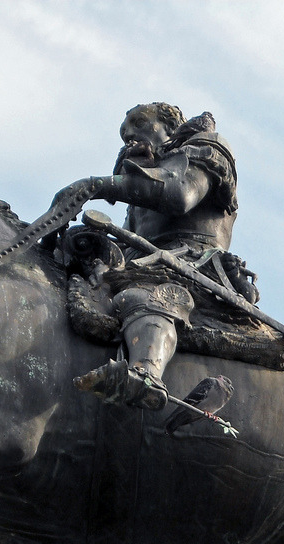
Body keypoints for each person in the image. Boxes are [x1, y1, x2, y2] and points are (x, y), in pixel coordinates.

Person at [65, 102, 255, 410]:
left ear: (170, 126)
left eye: (140, 123)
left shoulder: (206, 148)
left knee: (146, 298)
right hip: (143, 265)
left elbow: (180, 196)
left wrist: (96, 185)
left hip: (192, 266)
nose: (129, 134)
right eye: (124, 132)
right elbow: (126, 245)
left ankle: (146, 376)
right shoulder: (144, 183)